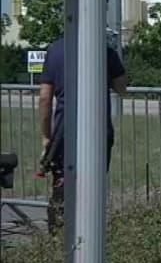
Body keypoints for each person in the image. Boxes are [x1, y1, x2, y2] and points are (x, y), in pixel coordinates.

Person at [39, 35, 128, 234]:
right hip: (99, 130)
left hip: (63, 132)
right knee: (93, 184)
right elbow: (122, 87)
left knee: (62, 186)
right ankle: (90, 233)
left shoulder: (54, 50)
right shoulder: (105, 50)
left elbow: (45, 98)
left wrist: (46, 136)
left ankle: (59, 234)